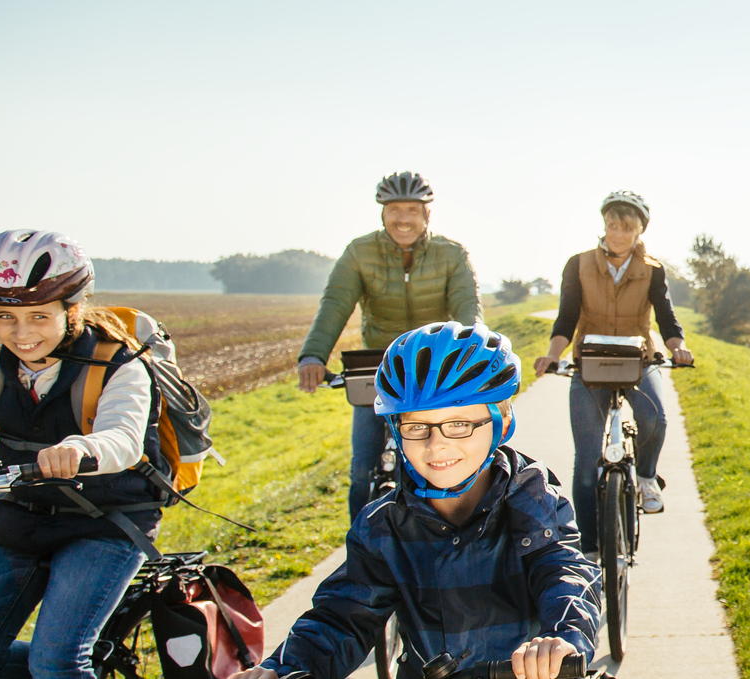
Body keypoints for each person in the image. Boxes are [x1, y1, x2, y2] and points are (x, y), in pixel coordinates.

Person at [240, 322, 600, 679]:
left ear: (502, 423)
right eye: (416, 427)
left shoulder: (532, 496)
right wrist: (281, 670)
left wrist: (563, 639)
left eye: (458, 424)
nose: (436, 444)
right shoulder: (382, 525)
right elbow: (341, 617)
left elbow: (564, 572)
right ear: (397, 431)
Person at [0, 230, 163, 679]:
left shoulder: (119, 366)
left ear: (71, 309)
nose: (21, 335)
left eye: (39, 317)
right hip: (24, 517)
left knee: (56, 662)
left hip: (104, 521)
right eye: (6, 318)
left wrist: (79, 448)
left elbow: (123, 437)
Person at [296, 171, 481, 518]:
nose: (403, 219)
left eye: (412, 210)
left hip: (433, 368)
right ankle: (361, 556)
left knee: (445, 465)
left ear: (427, 214)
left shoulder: (451, 254)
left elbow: (468, 311)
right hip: (378, 368)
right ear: (382, 213)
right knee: (362, 470)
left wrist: (475, 357)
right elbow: (334, 305)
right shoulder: (359, 253)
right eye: (394, 209)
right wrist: (312, 355)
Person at [532, 191, 692, 553]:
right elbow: (567, 315)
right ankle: (590, 546)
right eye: (612, 225)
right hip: (591, 361)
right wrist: (552, 355)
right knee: (586, 463)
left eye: (627, 227)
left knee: (654, 417)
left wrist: (677, 346)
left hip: (638, 358)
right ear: (604, 226)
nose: (618, 234)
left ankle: (647, 476)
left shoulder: (652, 269)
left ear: (639, 231)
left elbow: (666, 315)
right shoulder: (579, 264)